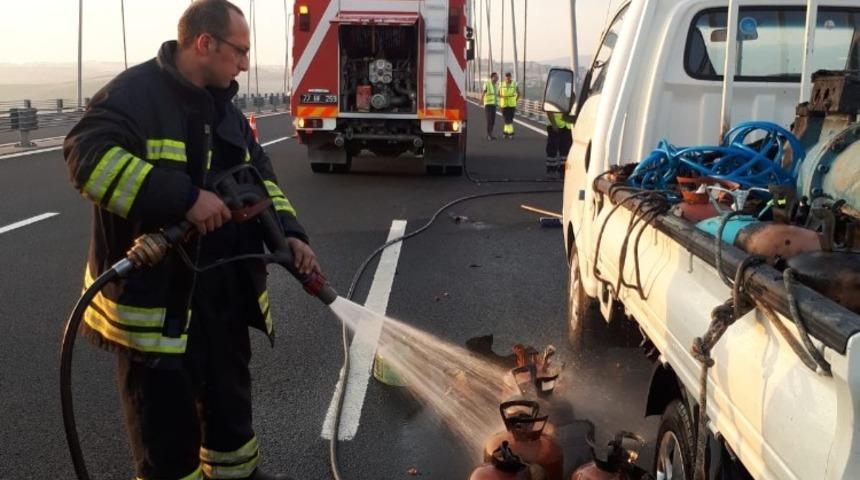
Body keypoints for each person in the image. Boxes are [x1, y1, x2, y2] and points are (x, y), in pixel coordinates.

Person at [63, 1, 317, 479]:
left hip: (221, 295)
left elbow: (259, 176)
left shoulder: (224, 107)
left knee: (230, 411)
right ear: (205, 43)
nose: (244, 64)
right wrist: (185, 199)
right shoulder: (133, 95)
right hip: (158, 305)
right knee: (167, 435)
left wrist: (292, 235)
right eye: (239, 51)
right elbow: (86, 159)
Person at [499, 72, 519, 139]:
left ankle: (505, 133)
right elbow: (498, 94)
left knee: (510, 119)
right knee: (506, 119)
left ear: (510, 77)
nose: (507, 78)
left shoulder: (514, 83)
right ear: (505, 77)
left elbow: (519, 93)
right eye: (506, 77)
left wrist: (515, 100)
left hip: (512, 104)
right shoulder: (501, 84)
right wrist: (502, 97)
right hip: (504, 104)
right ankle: (511, 133)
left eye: (509, 77)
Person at [482, 72, 499, 140]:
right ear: (492, 77)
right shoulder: (486, 83)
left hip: (493, 105)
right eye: (496, 77)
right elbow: (484, 92)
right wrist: (480, 101)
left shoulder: (495, 85)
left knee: (492, 120)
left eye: (497, 77)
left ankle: (490, 135)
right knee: (489, 120)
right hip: (488, 105)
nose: (497, 78)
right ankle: (489, 135)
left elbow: (495, 96)